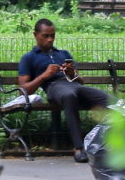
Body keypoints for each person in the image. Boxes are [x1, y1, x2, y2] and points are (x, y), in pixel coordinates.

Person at [18, 18, 109, 163]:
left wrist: (73, 73)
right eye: (45, 36)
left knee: (108, 100)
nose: (50, 39)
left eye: (52, 36)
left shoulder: (63, 54)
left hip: (75, 87)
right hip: (54, 88)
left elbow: (80, 81)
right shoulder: (29, 58)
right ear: (35, 35)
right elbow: (23, 90)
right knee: (69, 96)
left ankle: (121, 144)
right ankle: (79, 148)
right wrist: (44, 76)